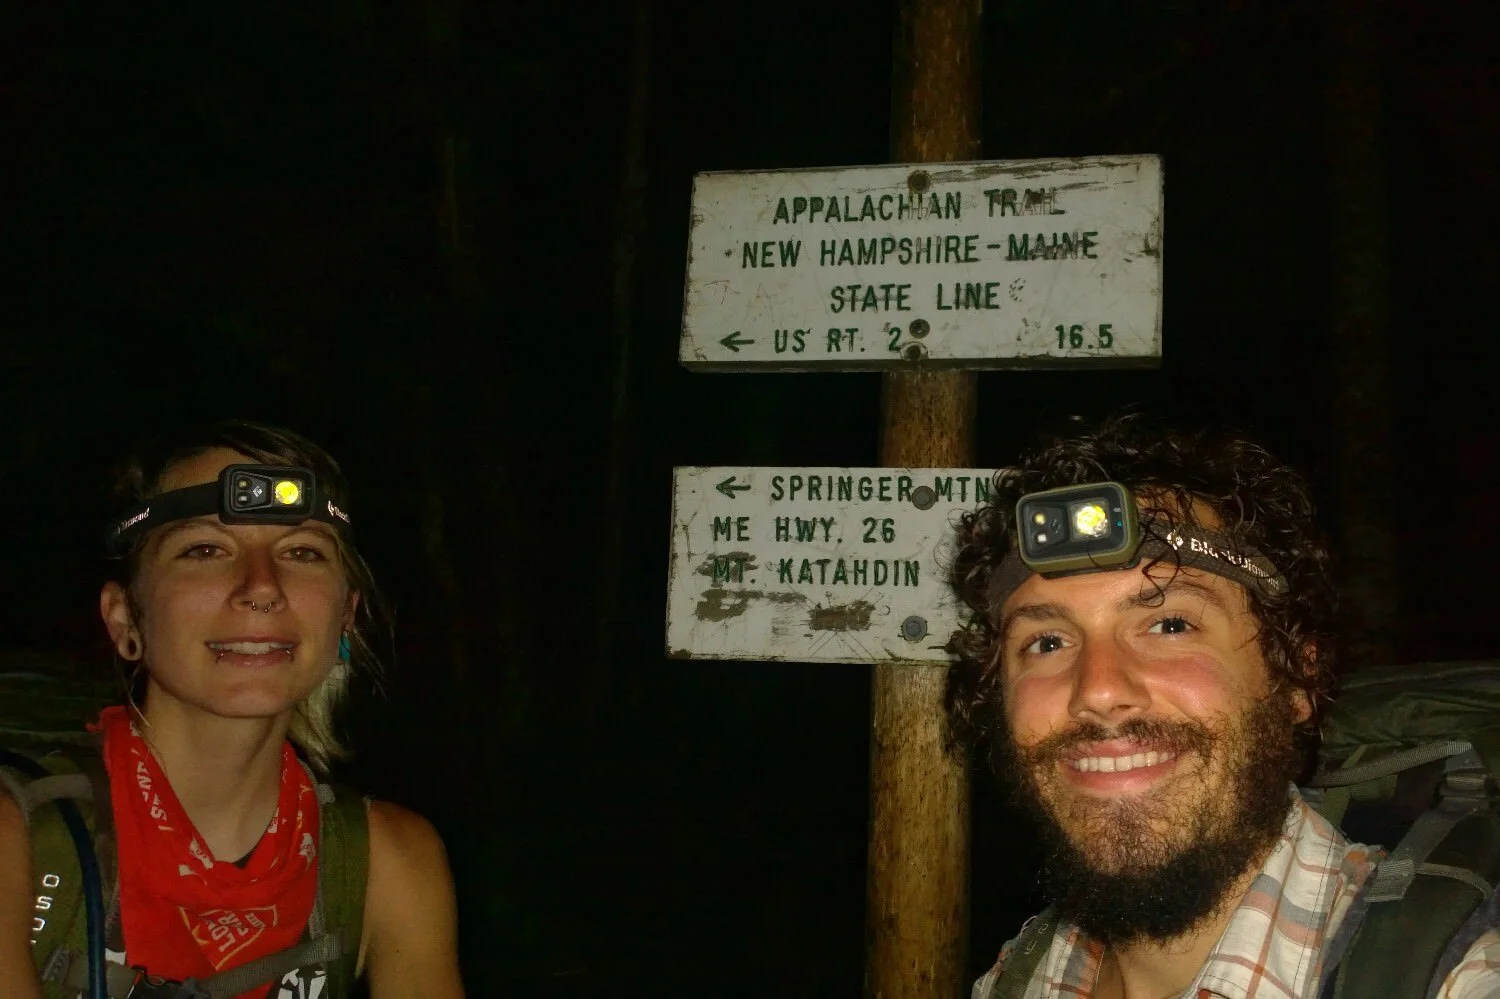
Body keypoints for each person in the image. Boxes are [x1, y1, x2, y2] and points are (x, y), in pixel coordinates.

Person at [946, 415, 1500, 999]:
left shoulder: (1456, 974)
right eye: (1047, 642)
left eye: (1170, 624)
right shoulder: (1023, 971)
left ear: (1296, 680)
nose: (1098, 690)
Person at [0, 421, 464, 998]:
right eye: (205, 550)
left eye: (301, 551)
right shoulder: (18, 838)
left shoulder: (389, 862)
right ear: (125, 618)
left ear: (346, 616)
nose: (262, 586)